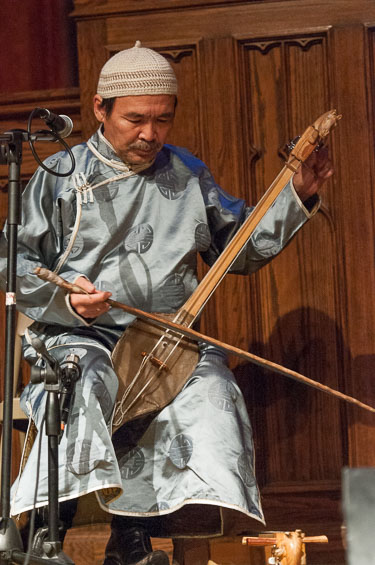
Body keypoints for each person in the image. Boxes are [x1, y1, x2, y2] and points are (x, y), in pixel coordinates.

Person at [0, 41, 333, 565]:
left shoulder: (187, 173)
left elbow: (236, 252)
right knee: (87, 384)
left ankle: (131, 542)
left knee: (212, 393)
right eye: (135, 119)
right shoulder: (60, 175)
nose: (150, 134)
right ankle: (47, 531)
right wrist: (69, 302)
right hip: (79, 333)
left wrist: (296, 195)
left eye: (162, 120)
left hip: (169, 338)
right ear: (99, 109)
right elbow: (12, 260)